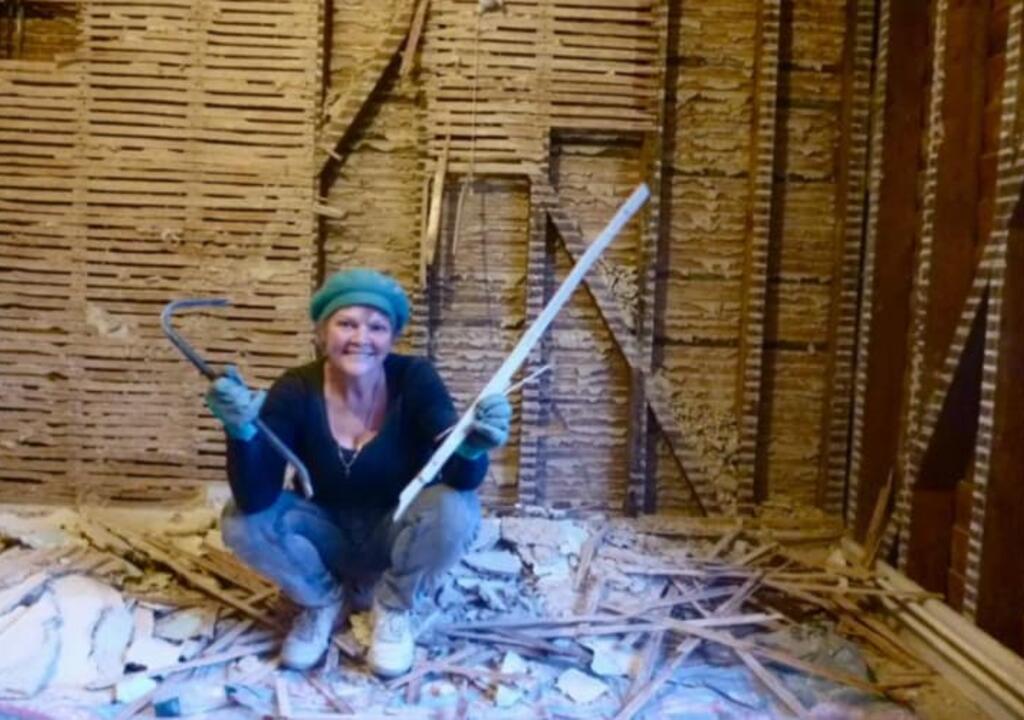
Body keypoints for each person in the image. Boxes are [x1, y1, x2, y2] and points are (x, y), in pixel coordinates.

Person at [204, 268, 512, 677]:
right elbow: (256, 498)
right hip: (325, 536)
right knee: (241, 521)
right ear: (321, 332)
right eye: (346, 323)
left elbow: (459, 477)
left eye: (377, 327)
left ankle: (392, 607)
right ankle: (321, 601)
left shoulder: (414, 379)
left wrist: (473, 446)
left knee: (457, 509)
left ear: (392, 337)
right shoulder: (296, 388)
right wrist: (241, 432)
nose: (361, 338)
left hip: (395, 534)